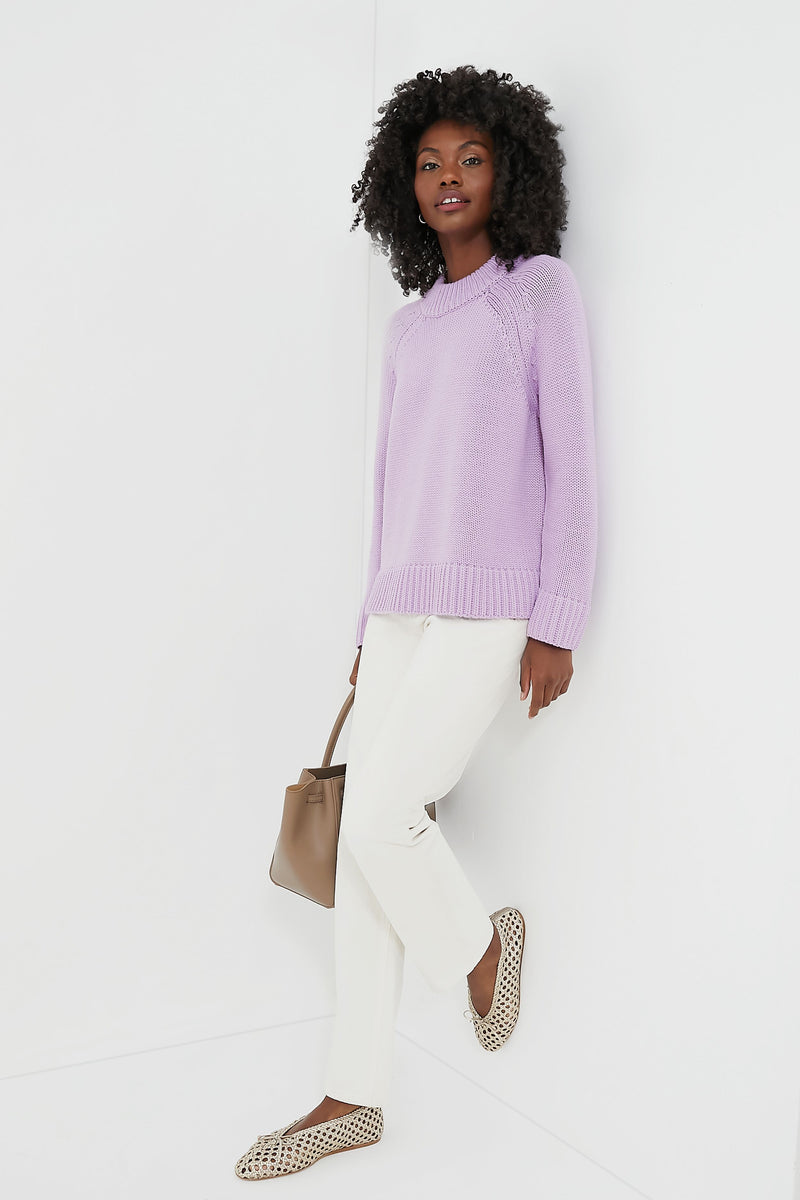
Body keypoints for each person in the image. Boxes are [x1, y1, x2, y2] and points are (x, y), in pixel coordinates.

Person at [235, 64, 598, 1181]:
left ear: (507, 171)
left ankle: (481, 948)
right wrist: (364, 624)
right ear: (406, 186)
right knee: (361, 830)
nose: (448, 179)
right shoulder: (408, 330)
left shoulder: (538, 295)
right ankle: (353, 1092)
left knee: (387, 813)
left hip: (491, 607)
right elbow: (388, 486)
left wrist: (557, 619)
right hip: (398, 607)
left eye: (469, 160)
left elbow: (574, 465)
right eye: (429, 164)